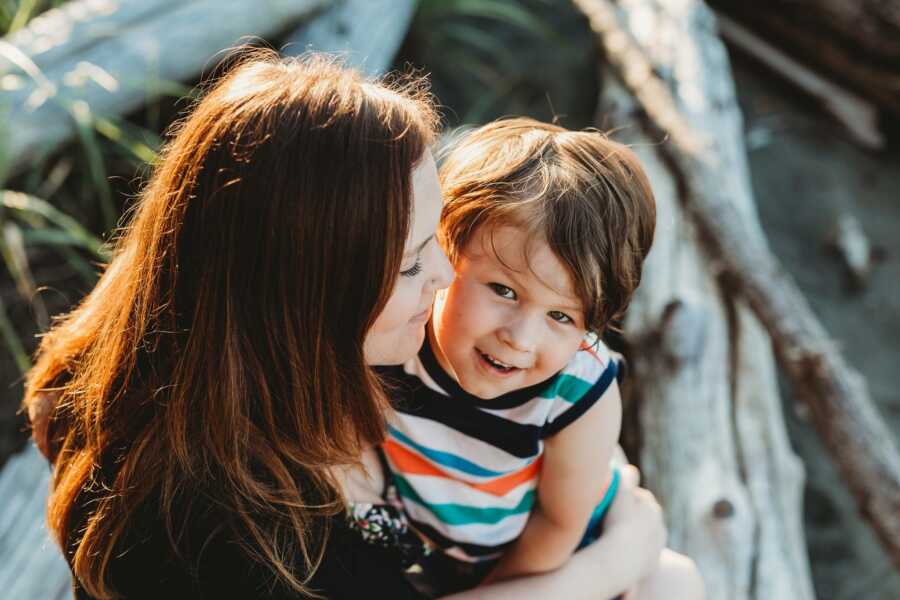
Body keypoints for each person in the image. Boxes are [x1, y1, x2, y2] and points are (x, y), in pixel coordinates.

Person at [24, 52, 695, 599]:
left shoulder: (281, 362)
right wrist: (610, 565)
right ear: (302, 297)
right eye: (410, 264)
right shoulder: (247, 543)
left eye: (437, 240)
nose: (442, 280)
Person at [379, 118, 704, 597]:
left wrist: (493, 590)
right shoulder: (399, 338)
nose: (520, 338)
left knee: (676, 586)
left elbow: (557, 524)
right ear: (445, 252)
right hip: (441, 550)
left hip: (547, 558)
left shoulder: (579, 390)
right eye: (503, 290)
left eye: (561, 316)